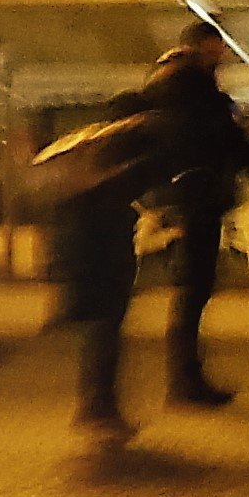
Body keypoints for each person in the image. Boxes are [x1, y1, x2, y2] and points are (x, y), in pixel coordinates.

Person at [140, 20, 249, 406]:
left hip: (184, 195)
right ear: (204, 47)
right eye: (218, 49)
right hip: (195, 197)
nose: (223, 57)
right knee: (193, 289)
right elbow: (214, 140)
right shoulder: (191, 89)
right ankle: (185, 383)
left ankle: (186, 379)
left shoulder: (169, 85)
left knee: (192, 290)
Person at [43, 91, 175, 445]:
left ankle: (96, 407)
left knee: (102, 333)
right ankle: (97, 410)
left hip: (91, 255)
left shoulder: (86, 148)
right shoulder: (102, 152)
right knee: (103, 332)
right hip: (98, 255)